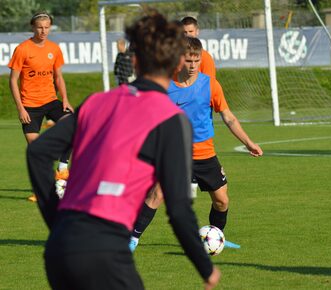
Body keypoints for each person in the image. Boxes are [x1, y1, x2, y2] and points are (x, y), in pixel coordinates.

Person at [26, 12, 220, 290]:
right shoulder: (170, 118)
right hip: (104, 247)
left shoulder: (96, 102)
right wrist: (205, 266)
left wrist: (55, 217)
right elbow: (178, 208)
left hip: (60, 246)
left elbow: (38, 152)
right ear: (178, 62)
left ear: (135, 61)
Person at [129, 37, 263, 252]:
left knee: (222, 201)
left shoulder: (210, 84)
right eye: (188, 60)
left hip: (205, 154)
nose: (192, 66)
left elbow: (228, 117)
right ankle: (132, 239)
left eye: (196, 60)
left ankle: (215, 236)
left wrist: (248, 142)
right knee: (157, 194)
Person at [8, 11, 73, 202]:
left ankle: (62, 171)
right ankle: (41, 190)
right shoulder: (22, 49)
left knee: (74, 126)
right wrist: (20, 108)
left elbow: (59, 77)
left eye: (47, 27)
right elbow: (13, 81)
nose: (43, 31)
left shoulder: (54, 48)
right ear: (33, 27)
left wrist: (66, 100)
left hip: (51, 101)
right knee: (37, 151)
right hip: (30, 105)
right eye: (40, 27)